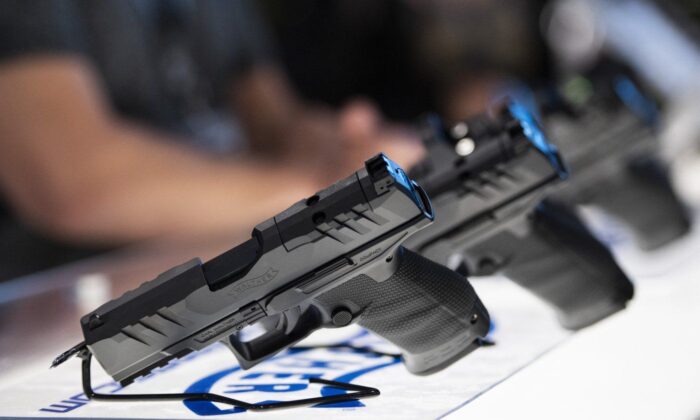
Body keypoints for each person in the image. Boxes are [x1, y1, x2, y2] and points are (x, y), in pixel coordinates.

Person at [0, 1, 422, 279]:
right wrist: (321, 185)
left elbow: (274, 124)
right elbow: (71, 181)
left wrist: (346, 145)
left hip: (219, 268)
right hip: (59, 311)